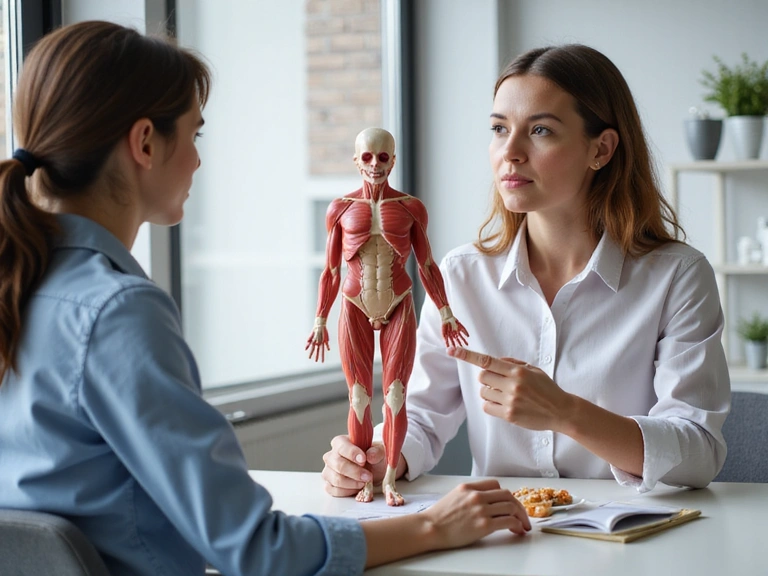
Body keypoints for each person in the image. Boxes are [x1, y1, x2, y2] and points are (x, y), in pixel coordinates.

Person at [0, 21, 532, 576]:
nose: (199, 162)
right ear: (145, 143)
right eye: (195, 135)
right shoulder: (118, 314)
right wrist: (434, 526)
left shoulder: (21, 287)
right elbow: (256, 549)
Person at [321, 44, 730, 499]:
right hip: (504, 537)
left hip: (631, 544)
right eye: (499, 129)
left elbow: (699, 453)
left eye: (540, 130)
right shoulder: (460, 277)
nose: (509, 153)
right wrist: (377, 458)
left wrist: (565, 412)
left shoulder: (678, 278)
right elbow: (419, 419)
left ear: (602, 148)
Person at [306, 127, 469, 506]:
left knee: (396, 396)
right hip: (354, 304)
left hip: (398, 301)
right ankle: (365, 477)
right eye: (367, 157)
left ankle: (390, 478)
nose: (375, 165)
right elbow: (331, 271)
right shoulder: (341, 208)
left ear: (393, 161)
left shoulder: (411, 207)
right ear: (356, 161)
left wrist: (445, 311)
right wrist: (319, 320)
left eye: (383, 158)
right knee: (359, 397)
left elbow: (426, 263)